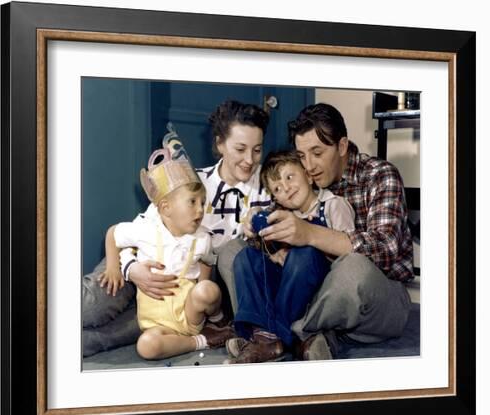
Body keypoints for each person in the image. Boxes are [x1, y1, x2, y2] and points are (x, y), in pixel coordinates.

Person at [82, 100, 270, 357]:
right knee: (87, 308)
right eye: (240, 149)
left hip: (182, 295)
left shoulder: (270, 191)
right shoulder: (189, 181)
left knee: (90, 340)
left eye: (257, 150)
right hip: (137, 261)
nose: (249, 160)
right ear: (219, 145)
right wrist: (132, 269)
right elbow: (140, 231)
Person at [256, 103, 414, 360]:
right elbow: (278, 208)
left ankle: (279, 333)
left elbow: (386, 250)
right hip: (321, 293)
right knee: (234, 253)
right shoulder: (306, 182)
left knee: (354, 268)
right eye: (302, 156)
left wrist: (309, 234)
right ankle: (313, 338)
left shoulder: (380, 175)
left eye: (317, 153)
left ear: (342, 146)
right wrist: (259, 222)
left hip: (377, 298)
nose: (308, 166)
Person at [99, 141, 235, 360]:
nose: (200, 210)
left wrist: (203, 289)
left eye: (202, 203)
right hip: (156, 322)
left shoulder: (201, 239)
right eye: (192, 202)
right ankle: (200, 341)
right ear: (165, 208)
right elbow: (113, 233)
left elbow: (207, 262)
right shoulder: (147, 230)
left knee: (207, 290)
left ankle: (219, 322)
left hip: (189, 315)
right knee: (147, 346)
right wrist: (114, 267)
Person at [226, 151, 355, 363]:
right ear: (275, 198)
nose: (285, 188)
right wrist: (272, 249)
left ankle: (271, 339)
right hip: (288, 287)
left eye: (289, 177)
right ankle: (263, 334)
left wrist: (306, 244)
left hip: (319, 288)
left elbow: (348, 258)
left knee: (304, 254)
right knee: (246, 257)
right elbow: (262, 244)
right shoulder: (283, 214)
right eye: (277, 188)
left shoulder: (333, 205)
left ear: (308, 175)